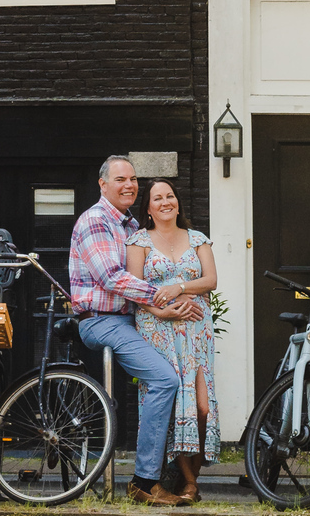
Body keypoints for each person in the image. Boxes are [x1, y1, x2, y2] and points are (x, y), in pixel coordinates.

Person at [69, 155, 202, 506]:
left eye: (133, 179)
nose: (129, 185)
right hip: (102, 320)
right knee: (164, 379)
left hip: (138, 318)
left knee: (184, 375)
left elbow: (150, 275)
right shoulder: (95, 220)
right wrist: (163, 299)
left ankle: (182, 474)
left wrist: (179, 303)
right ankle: (144, 481)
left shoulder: (131, 226)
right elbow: (111, 277)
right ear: (103, 184)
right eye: (120, 179)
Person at [128, 179, 220, 501]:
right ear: (149, 208)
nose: (165, 202)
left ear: (178, 204)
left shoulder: (197, 239)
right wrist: (163, 311)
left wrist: (180, 288)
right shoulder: (138, 241)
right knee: (173, 405)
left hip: (196, 330)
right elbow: (136, 290)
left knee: (202, 406)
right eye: (157, 198)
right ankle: (189, 483)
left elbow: (210, 280)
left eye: (170, 196)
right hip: (157, 328)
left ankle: (187, 480)